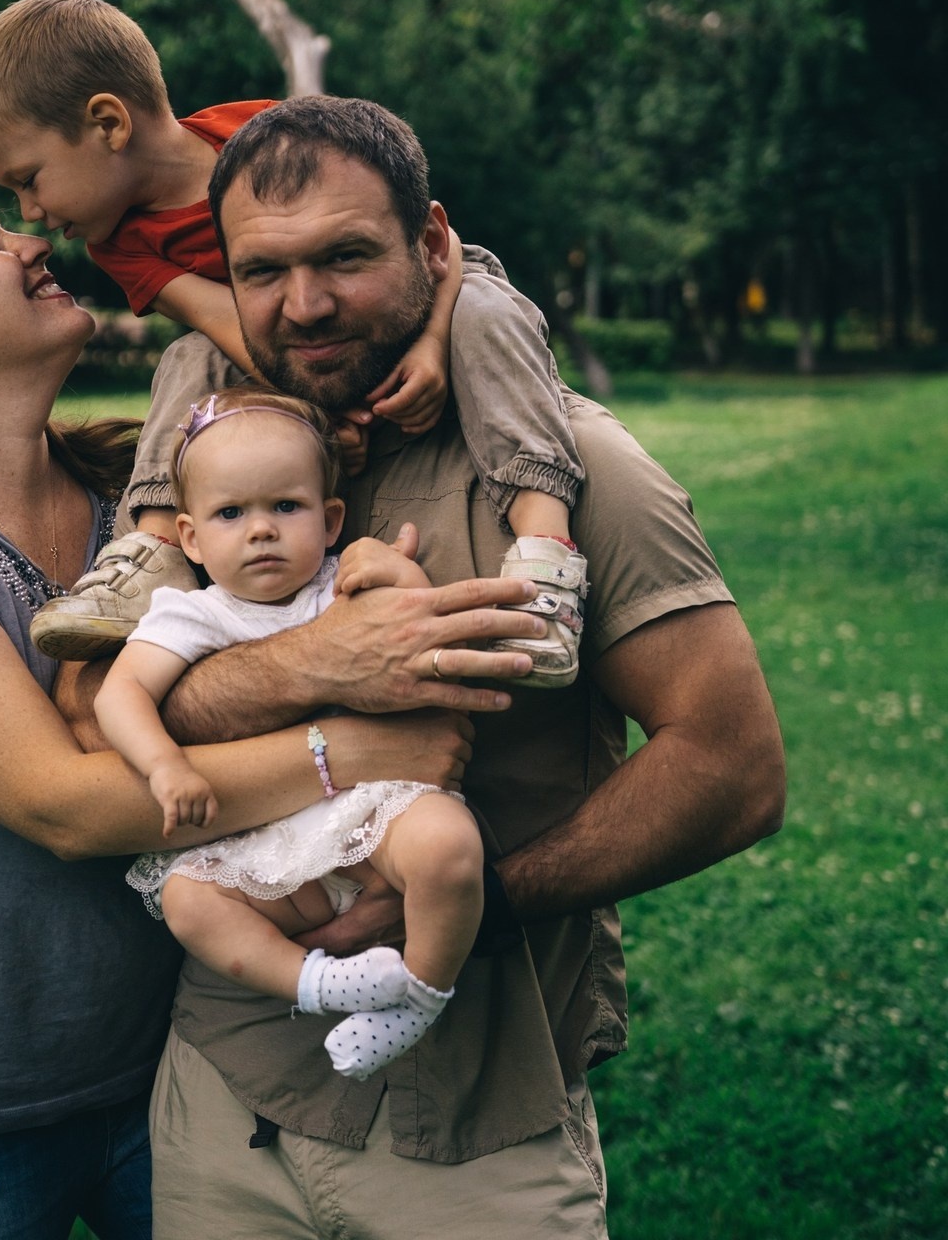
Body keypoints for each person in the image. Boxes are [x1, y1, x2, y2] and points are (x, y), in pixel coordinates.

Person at [56, 96, 785, 1238]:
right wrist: (318, 666)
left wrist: (486, 899)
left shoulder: (579, 464)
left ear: (433, 245)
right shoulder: (214, 468)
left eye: (344, 256)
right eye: (262, 270)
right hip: (217, 1102)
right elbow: (87, 713)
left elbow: (732, 763)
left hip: (473, 1130)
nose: (302, 305)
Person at [0, 161, 502, 1240]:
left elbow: (324, 234)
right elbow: (64, 804)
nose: (28, 242)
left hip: (170, 1057)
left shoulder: (142, 505)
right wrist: (365, 748)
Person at [0, 0, 588, 686]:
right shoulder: (122, 246)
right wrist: (317, 417)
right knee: (189, 358)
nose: (31, 214)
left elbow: (436, 233)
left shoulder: (261, 134)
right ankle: (153, 551)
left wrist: (434, 339)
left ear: (107, 122)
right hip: (291, 354)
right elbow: (236, 330)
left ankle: (544, 561)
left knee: (488, 311)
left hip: (425, 292)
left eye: (28, 180)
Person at [97, 388, 484, 1080]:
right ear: (189, 537)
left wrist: (399, 572)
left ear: (330, 518)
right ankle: (318, 984)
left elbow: (416, 640)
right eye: (230, 513)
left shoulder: (344, 585)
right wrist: (164, 767)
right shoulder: (194, 616)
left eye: (285, 507)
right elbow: (122, 693)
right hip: (267, 841)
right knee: (189, 901)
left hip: (375, 812)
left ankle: (419, 999)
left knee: (451, 849)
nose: (261, 530)